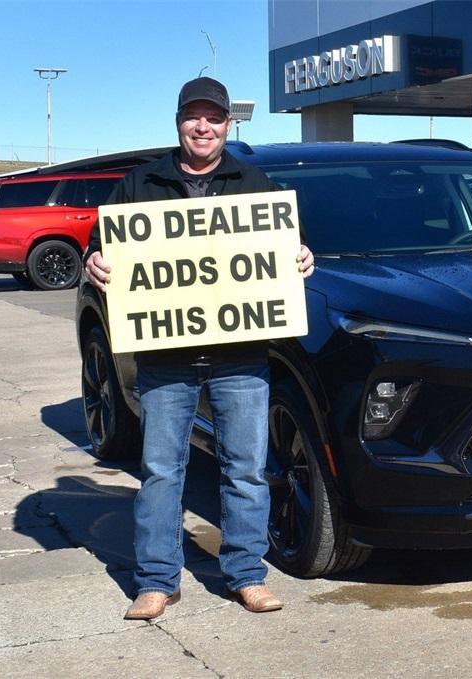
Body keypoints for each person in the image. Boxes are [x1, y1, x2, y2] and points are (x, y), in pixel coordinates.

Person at [83, 77, 314, 620]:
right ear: (179, 122)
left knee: (247, 468)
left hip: (240, 354)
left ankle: (246, 574)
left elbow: (288, 249)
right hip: (166, 357)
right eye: (194, 117)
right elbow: (100, 249)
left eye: (213, 117)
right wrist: (96, 264)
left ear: (228, 124)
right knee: (162, 470)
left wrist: (302, 256)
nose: (203, 126)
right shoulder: (140, 185)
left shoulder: (255, 184)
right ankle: (157, 581)